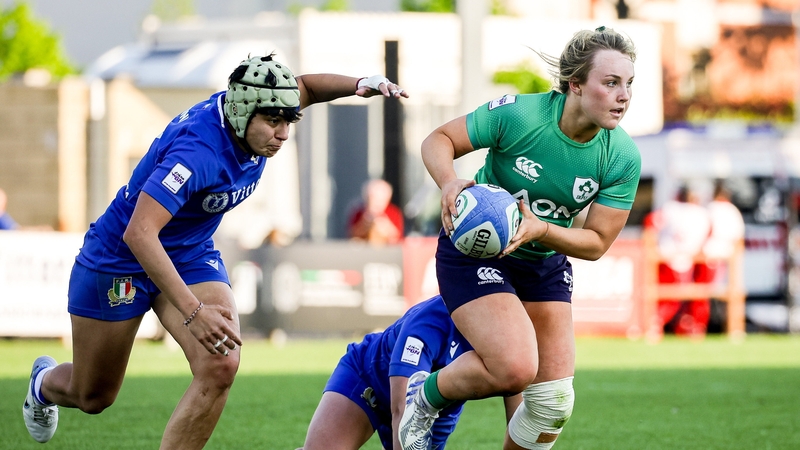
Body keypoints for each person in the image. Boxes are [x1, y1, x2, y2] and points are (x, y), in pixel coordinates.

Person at [21, 53, 408, 447]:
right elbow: (138, 233)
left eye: (288, 121)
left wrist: (360, 82)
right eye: (273, 122)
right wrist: (194, 311)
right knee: (93, 396)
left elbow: (305, 87)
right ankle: (42, 385)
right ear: (242, 114)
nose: (283, 134)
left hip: (188, 254)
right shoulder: (197, 153)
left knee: (221, 363)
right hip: (120, 258)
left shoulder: (254, 105)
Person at [399, 27, 640, 450]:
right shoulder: (520, 116)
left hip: (543, 263)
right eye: (611, 82)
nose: (624, 95)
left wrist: (542, 229)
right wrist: (450, 182)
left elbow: (598, 243)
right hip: (474, 254)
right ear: (576, 85)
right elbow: (438, 139)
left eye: (629, 84)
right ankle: (426, 396)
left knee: (552, 405)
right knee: (514, 369)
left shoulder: (621, 156)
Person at [299, 295, 521, 450]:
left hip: (438, 410)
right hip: (368, 377)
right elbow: (403, 410)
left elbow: (520, 418)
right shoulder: (429, 321)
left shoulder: (511, 334)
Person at [645, 185, 713, 336]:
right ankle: (655, 325)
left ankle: (655, 325)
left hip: (667, 258)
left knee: (670, 299)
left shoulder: (670, 209)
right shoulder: (701, 213)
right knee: (673, 299)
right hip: (685, 260)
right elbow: (709, 235)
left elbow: (649, 224)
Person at [347, 178, 404, 245]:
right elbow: (352, 235)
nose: (377, 203)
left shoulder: (394, 212)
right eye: (373, 198)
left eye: (381, 199)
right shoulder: (359, 212)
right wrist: (364, 224)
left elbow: (398, 237)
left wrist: (385, 226)